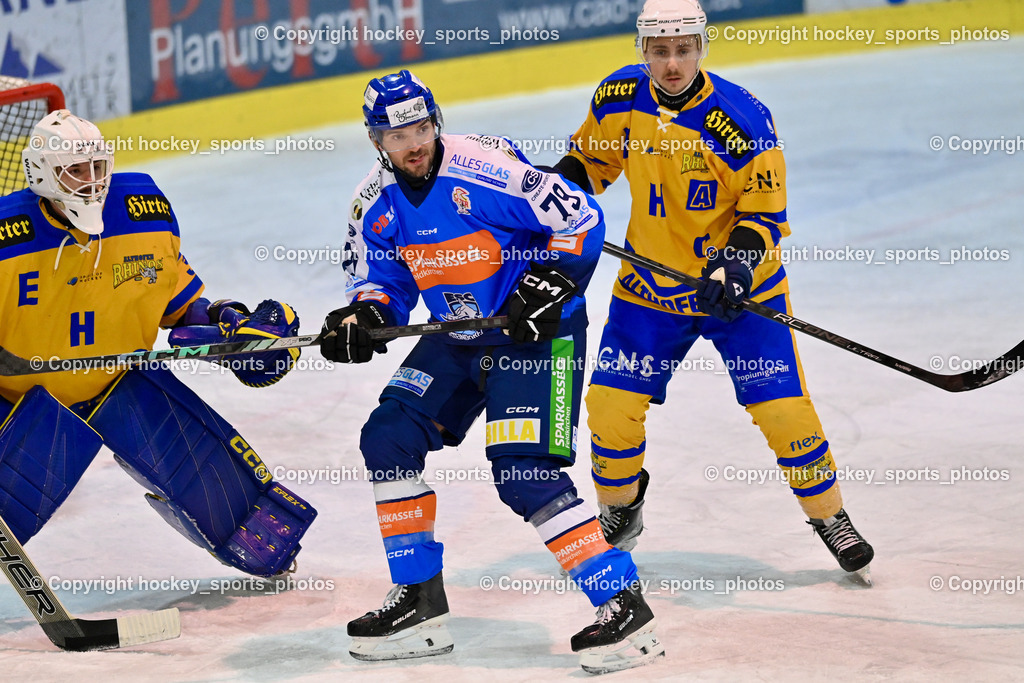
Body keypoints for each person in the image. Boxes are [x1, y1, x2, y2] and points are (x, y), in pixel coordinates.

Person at [320, 70, 663, 673]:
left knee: (524, 472)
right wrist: (365, 315)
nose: (414, 142)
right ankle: (420, 598)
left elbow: (579, 218)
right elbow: (383, 281)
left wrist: (550, 281)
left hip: (538, 333)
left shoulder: (485, 169)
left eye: (421, 127)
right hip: (459, 336)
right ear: (377, 141)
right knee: (388, 437)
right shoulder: (371, 203)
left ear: (436, 123)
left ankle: (621, 603)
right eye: (398, 135)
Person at [544, 0, 874, 580]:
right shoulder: (618, 97)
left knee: (785, 415)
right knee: (609, 407)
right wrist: (544, 198)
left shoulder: (742, 117)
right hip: (649, 289)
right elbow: (591, 164)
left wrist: (737, 268)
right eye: (661, 50)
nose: (673, 63)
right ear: (642, 50)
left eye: (685, 49)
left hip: (741, 297)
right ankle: (620, 506)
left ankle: (829, 516)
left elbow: (764, 213)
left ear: (703, 46)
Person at [0, 109, 316, 578]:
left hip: (118, 383)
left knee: (254, 531)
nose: (91, 182)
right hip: (18, 398)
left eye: (97, 167)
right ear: (43, 175)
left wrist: (231, 324)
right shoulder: (8, 237)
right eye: (75, 171)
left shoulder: (141, 207)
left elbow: (179, 305)